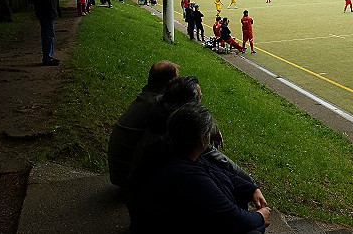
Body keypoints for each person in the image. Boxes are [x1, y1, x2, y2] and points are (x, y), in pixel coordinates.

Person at [127, 103, 270, 234]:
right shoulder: (188, 175)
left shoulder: (178, 150)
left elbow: (219, 172)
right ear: (203, 139)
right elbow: (232, 215)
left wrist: (251, 189)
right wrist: (260, 217)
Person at [108, 60, 179, 188]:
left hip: (120, 172)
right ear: (170, 83)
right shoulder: (158, 106)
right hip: (131, 179)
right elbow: (189, 122)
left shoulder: (145, 98)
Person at [32, 0, 61, 66]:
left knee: (49, 34)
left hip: (46, 11)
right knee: (48, 34)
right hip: (46, 11)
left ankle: (49, 56)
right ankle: (47, 58)